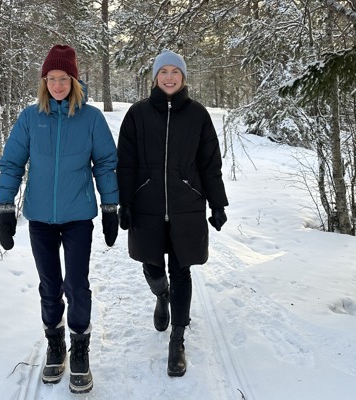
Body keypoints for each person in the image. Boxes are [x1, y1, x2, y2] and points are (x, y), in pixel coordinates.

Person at [0, 44, 119, 394]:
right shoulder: (30, 118)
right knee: (49, 286)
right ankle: (55, 344)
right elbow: (12, 163)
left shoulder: (91, 118)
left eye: (64, 78)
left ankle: (80, 349)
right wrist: (5, 205)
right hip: (41, 220)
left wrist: (110, 207)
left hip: (78, 217)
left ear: (74, 80)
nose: (58, 84)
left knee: (76, 286)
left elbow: (106, 164)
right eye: (52, 78)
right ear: (44, 80)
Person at [116, 49, 228, 377]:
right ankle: (161, 295)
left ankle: (177, 339)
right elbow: (126, 164)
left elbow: (211, 165)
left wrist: (217, 203)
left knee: (182, 270)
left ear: (183, 77)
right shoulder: (137, 115)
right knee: (152, 266)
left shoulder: (198, 115)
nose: (169, 77)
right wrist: (125, 202)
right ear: (155, 77)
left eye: (174, 72)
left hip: (186, 207)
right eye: (163, 71)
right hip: (146, 206)